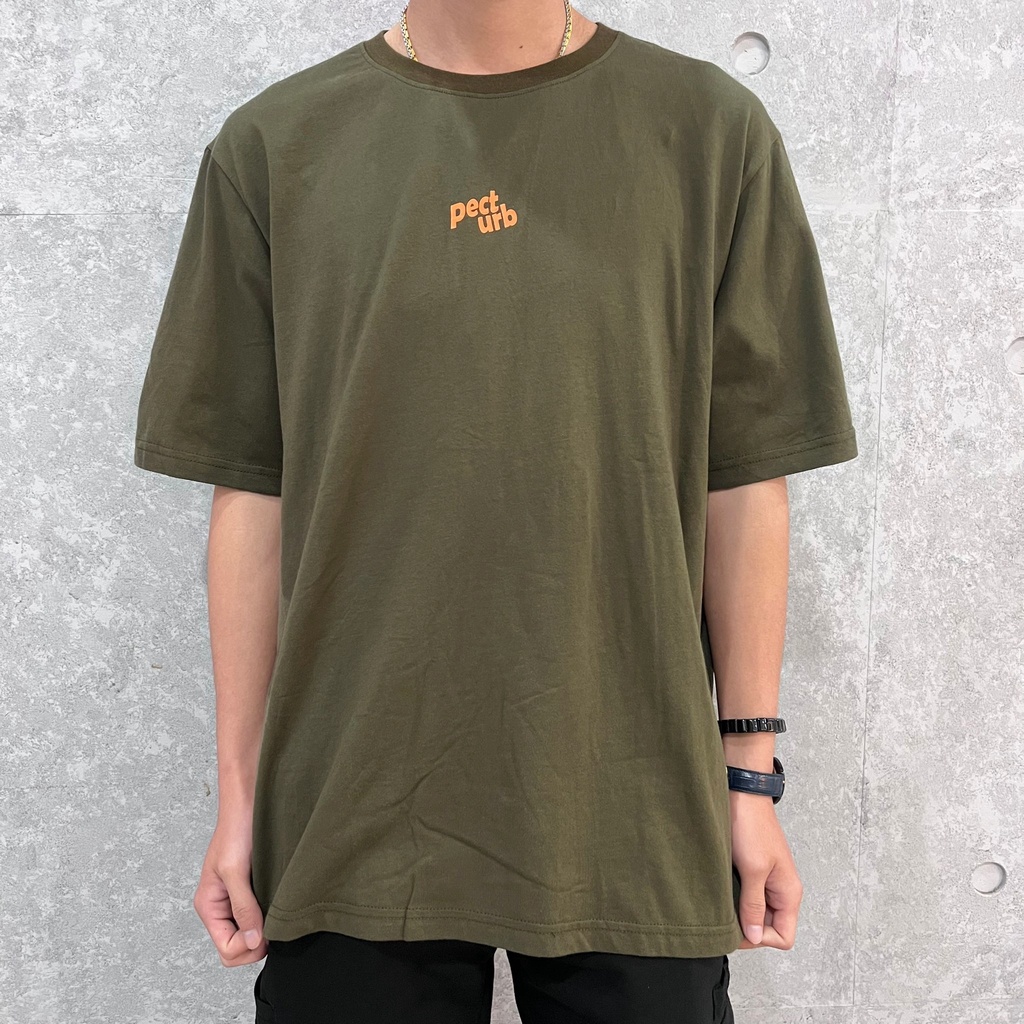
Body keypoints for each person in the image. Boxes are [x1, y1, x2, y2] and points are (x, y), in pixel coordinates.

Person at [132, 1, 859, 1020]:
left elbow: (743, 477)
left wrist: (749, 779)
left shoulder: (705, 132)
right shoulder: (275, 147)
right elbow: (253, 491)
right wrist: (242, 797)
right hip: (353, 807)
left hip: (633, 804)